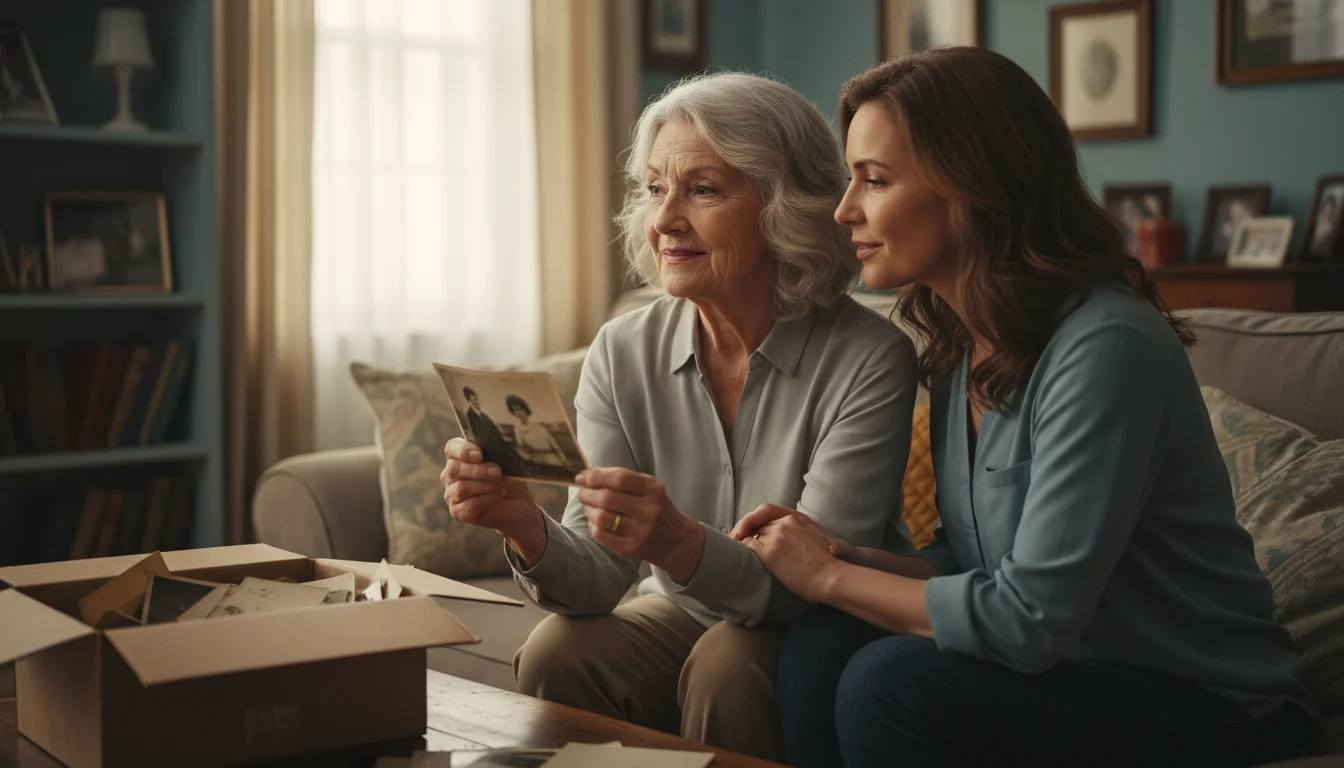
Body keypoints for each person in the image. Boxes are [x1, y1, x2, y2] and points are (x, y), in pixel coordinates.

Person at [732, 48, 1317, 767]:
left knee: (891, 685)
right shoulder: (957, 341)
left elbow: (1027, 619)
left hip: (1208, 700)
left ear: (974, 186)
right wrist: (847, 558)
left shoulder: (1108, 345)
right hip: (1068, 672)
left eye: (875, 180)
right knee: (821, 642)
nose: (845, 209)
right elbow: (971, 558)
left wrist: (827, 576)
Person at [439, 72, 918, 761]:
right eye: (655, 189)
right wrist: (519, 521)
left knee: (729, 664)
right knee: (558, 650)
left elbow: (806, 586)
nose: (663, 220)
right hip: (683, 611)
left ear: (784, 208)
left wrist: (676, 542)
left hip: (819, 621)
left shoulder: (872, 358)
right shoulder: (622, 350)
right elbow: (600, 577)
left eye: (702, 189)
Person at [462, 387, 528, 477]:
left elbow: (494, 430)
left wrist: (503, 439)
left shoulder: (483, 415)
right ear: (469, 401)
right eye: (473, 400)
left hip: (497, 442)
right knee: (508, 455)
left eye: (476, 399)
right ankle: (521, 471)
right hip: (491, 448)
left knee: (511, 449)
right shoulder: (470, 415)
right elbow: (477, 435)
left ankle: (524, 470)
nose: (476, 402)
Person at [505, 394, 568, 472]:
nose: (517, 413)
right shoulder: (517, 428)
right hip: (536, 461)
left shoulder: (537, 423)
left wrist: (563, 459)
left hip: (551, 458)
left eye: (519, 409)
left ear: (525, 409)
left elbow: (552, 442)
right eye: (514, 410)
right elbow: (522, 448)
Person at [1310, 191, 1339, 257]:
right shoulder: (1316, 219)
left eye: (1330, 208)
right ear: (1323, 207)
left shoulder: (1331, 226)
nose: (1328, 210)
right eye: (1327, 207)